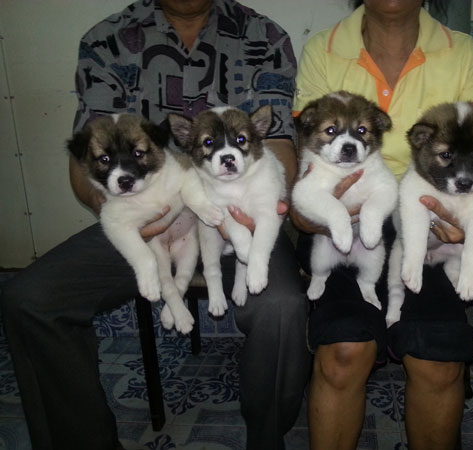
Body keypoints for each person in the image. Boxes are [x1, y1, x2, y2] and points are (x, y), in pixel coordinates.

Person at [0, 1, 310, 449]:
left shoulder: (263, 35)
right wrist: (122, 213)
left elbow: (277, 143)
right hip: (143, 211)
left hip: (239, 211)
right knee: (30, 300)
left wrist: (262, 205)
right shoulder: (108, 39)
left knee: (281, 307)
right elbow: (87, 157)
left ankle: (267, 438)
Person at [290, 1, 473, 449]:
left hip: (435, 218)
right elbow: (307, 149)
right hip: (345, 218)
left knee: (438, 358)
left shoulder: (463, 51)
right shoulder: (323, 49)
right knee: (344, 352)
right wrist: (311, 213)